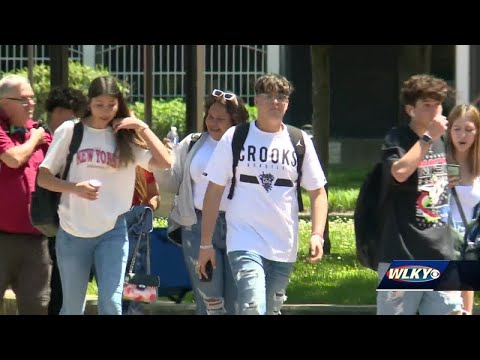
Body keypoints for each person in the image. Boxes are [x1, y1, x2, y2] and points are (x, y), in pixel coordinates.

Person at [37, 76, 172, 315]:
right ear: (89, 103)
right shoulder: (71, 131)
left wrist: (142, 128)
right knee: (71, 308)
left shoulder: (125, 136)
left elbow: (164, 162)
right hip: (72, 231)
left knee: (111, 304)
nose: (106, 111)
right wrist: (75, 188)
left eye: (112, 105)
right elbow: (44, 177)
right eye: (100, 104)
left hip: (113, 230)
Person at [197, 73, 328, 315]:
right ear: (256, 101)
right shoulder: (236, 137)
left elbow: (318, 192)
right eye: (268, 96)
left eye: (281, 97)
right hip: (244, 239)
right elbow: (213, 191)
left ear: (287, 103)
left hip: (284, 244)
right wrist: (205, 244)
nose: (275, 102)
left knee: (271, 310)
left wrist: (317, 234)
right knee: (253, 306)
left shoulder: (299, 141)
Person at [155, 89, 249, 315]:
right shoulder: (193, 142)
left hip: (239, 227)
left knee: (237, 301)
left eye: (220, 119)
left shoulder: (247, 145)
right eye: (210, 117)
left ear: (235, 121)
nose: (213, 124)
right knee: (209, 301)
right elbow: (171, 183)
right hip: (196, 226)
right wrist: (161, 159)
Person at [376, 74, 464, 315]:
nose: (435, 111)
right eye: (427, 105)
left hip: (441, 252)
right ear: (410, 109)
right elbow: (399, 173)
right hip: (404, 253)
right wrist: (427, 138)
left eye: (438, 104)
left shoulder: (445, 140)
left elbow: (452, 179)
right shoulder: (397, 138)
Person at [0, 74, 52, 314]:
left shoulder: (40, 133)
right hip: (2, 238)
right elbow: (13, 159)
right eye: (23, 99)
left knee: (36, 306)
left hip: (35, 241)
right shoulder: (32, 136)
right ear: (3, 102)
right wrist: (34, 140)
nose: (31, 104)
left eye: (32, 98)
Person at [44, 86, 88, 315]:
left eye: (74, 111)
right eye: (63, 110)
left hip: (70, 225)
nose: (69, 116)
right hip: (40, 226)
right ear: (51, 112)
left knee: (62, 290)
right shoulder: (40, 139)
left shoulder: (81, 142)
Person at [446, 104, 480, 315]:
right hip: (444, 240)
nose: (462, 135)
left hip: (471, 243)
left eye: (468, 129)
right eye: (457, 129)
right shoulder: (440, 162)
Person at [122, 166, 160, 315]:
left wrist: (148, 208)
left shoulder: (143, 166)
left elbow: (155, 195)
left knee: (133, 287)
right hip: (107, 229)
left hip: (136, 231)